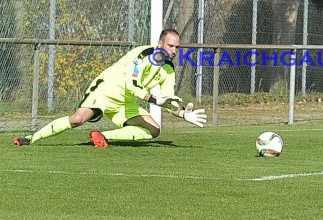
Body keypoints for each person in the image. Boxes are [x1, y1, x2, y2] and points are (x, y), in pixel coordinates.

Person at [13, 29, 207, 148]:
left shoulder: (168, 69)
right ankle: (31, 138)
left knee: (154, 130)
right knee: (77, 119)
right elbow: (132, 86)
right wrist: (156, 101)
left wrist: (182, 114)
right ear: (159, 44)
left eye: (177, 48)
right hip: (105, 91)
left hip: (125, 102)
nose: (174, 51)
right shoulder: (142, 55)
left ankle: (102, 135)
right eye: (170, 46)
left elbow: (167, 99)